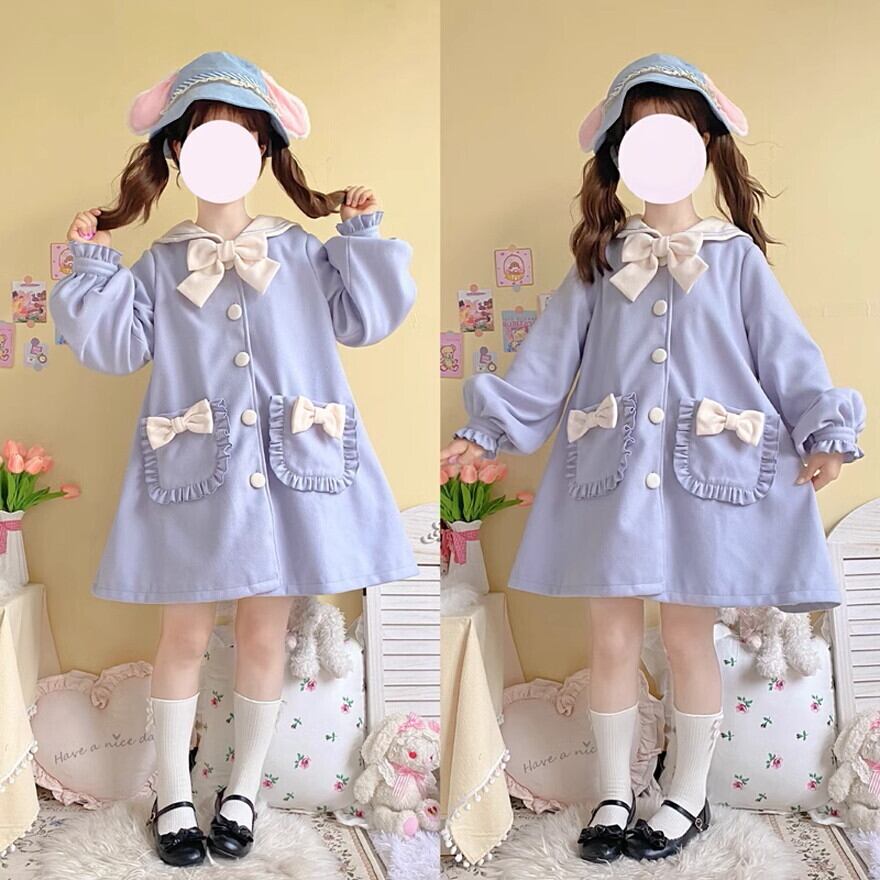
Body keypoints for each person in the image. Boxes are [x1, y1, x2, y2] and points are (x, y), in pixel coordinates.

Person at [441, 53, 865, 862]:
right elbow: (545, 363)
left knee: (687, 640)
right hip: (613, 483)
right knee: (609, 639)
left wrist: (824, 431)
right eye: (642, 134)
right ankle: (612, 795)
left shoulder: (734, 259)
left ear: (705, 143)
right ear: (619, 152)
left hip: (712, 484)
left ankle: (687, 798)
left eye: (676, 131)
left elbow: (788, 356)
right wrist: (485, 432)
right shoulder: (601, 262)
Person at [51, 51, 418, 867]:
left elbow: (368, 319)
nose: (222, 152)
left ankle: (243, 789)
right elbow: (113, 347)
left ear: (263, 152)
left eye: (241, 137)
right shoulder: (159, 264)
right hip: (194, 482)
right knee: (182, 635)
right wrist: (91, 262)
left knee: (264, 636)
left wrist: (360, 236)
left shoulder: (304, 252)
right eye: (203, 137)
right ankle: (174, 795)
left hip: (293, 475)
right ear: (176, 153)